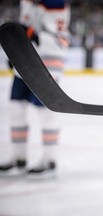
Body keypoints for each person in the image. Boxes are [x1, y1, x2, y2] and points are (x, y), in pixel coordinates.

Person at [0, 0, 70, 177]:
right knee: (15, 108)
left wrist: (31, 35)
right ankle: (18, 157)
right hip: (24, 61)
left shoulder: (55, 3)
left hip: (47, 63)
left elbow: (58, 37)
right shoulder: (28, 3)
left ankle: (49, 159)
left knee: (46, 111)